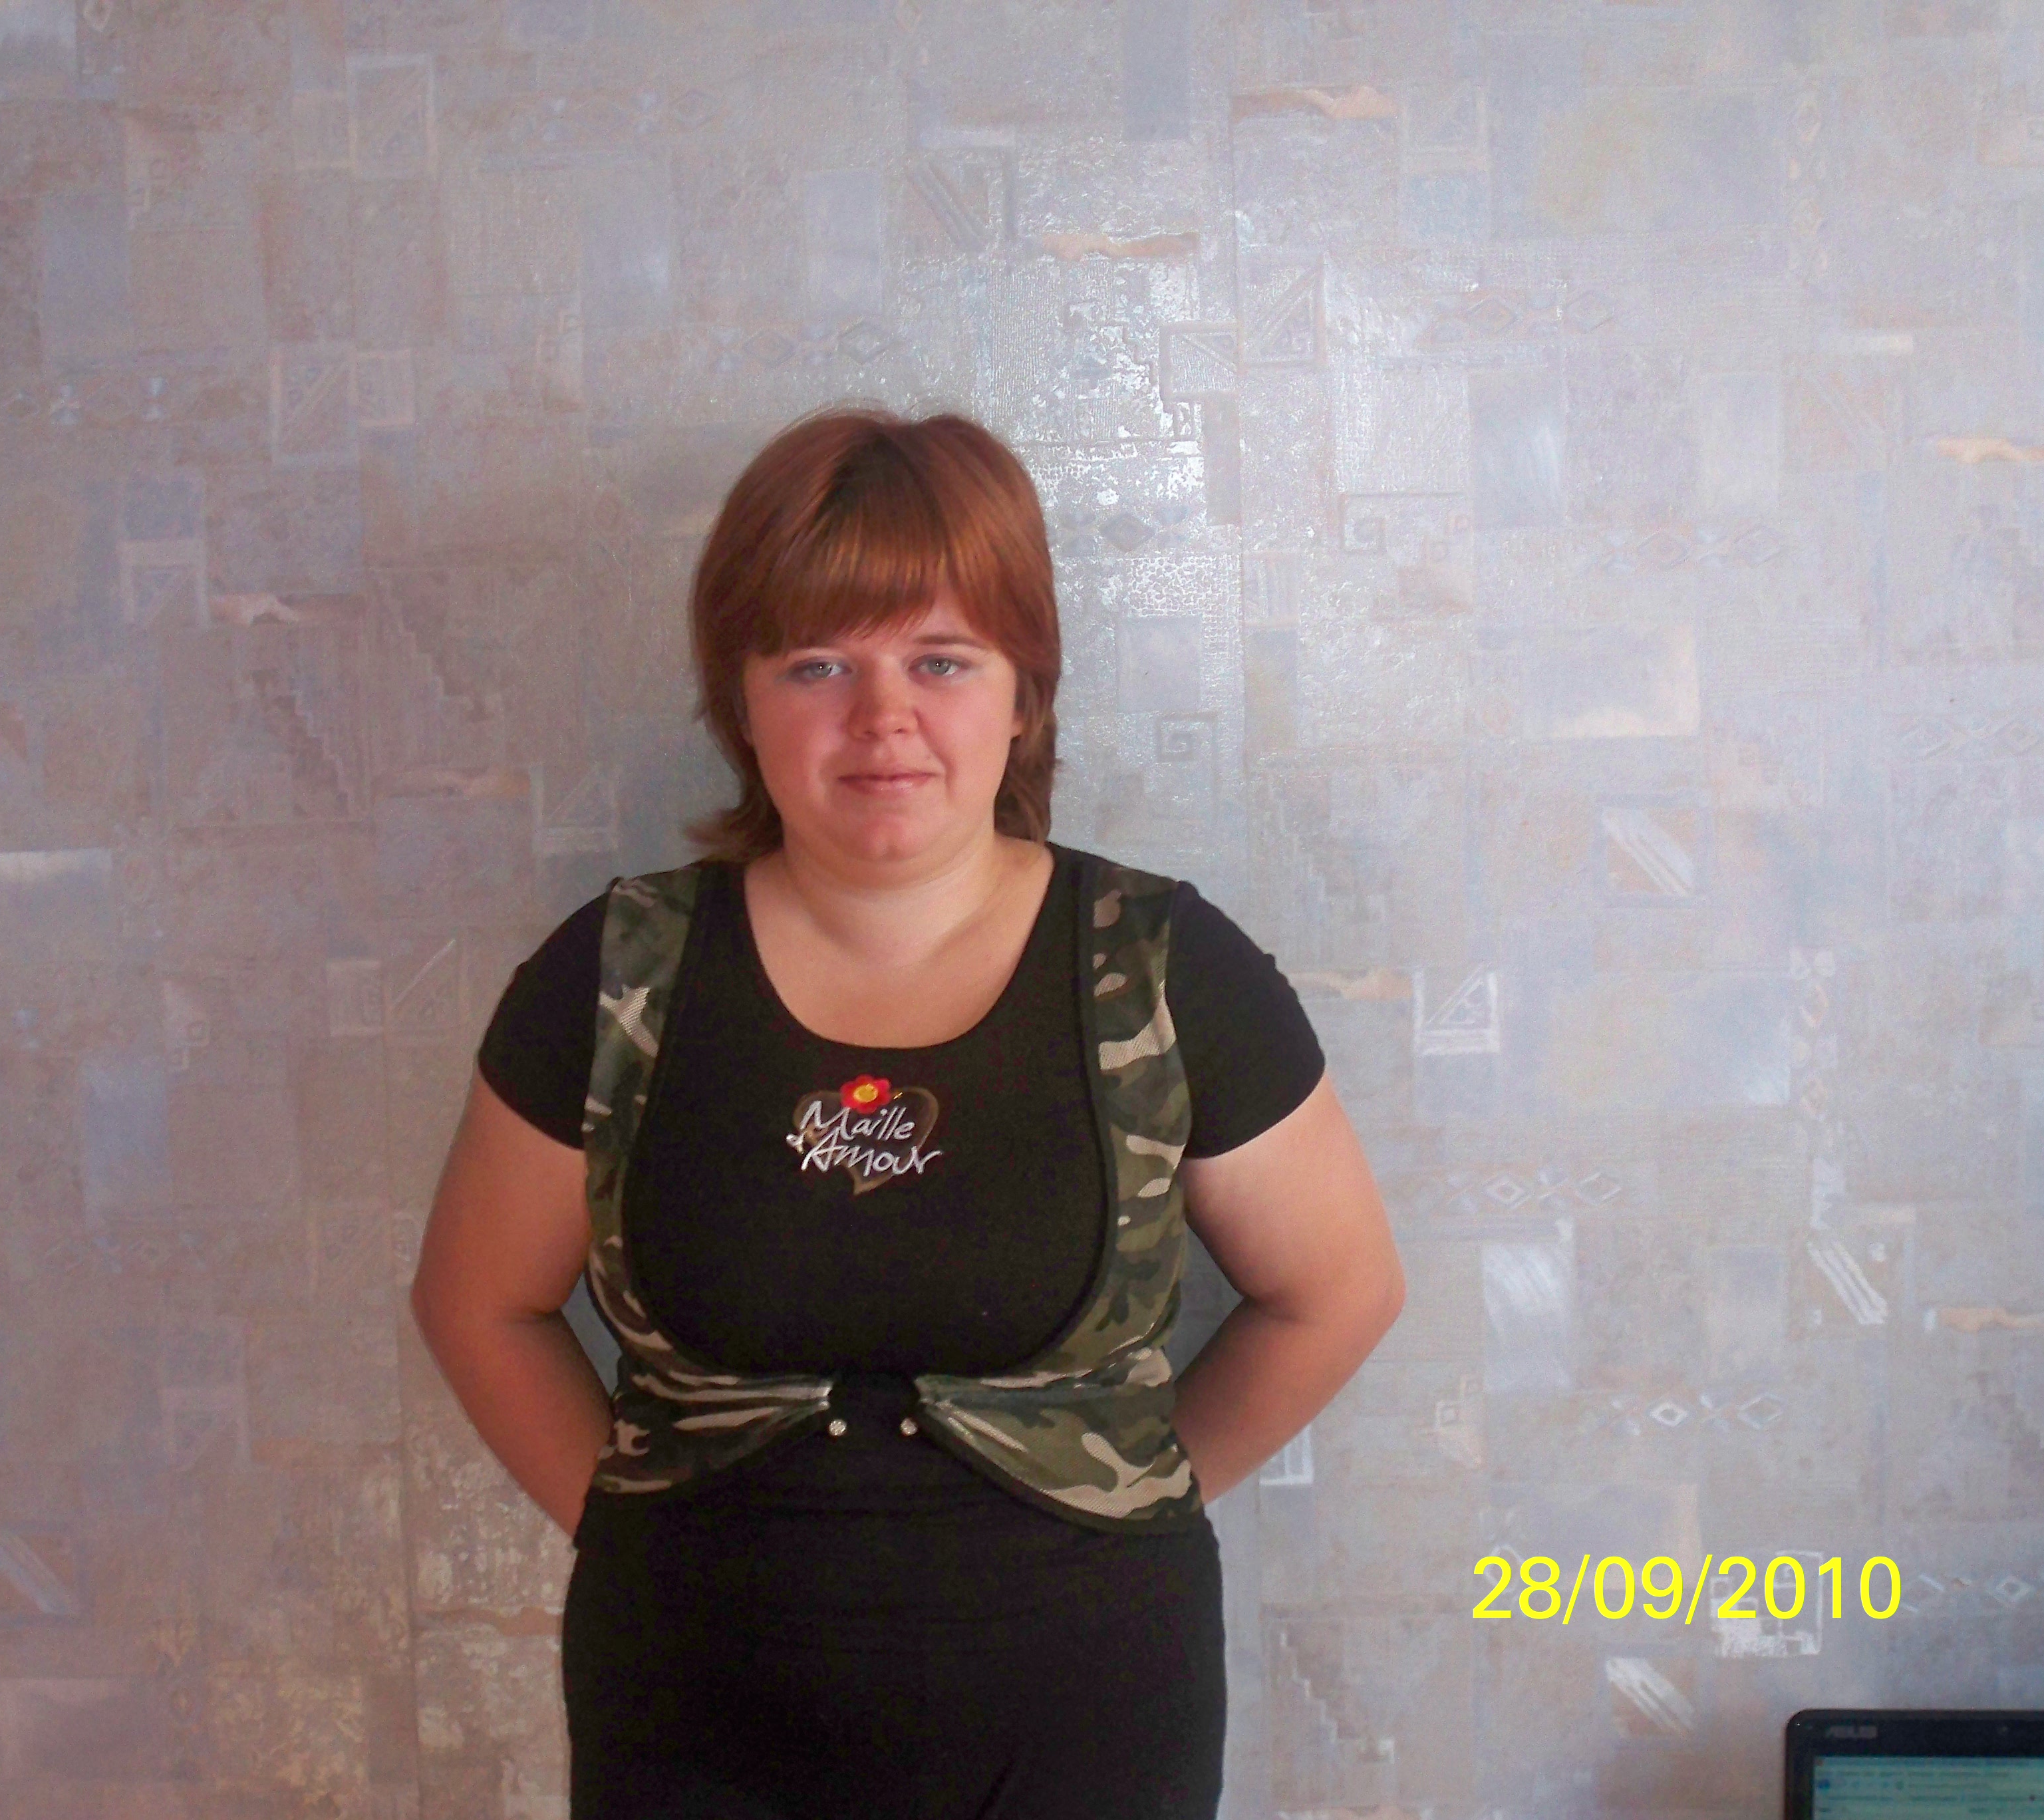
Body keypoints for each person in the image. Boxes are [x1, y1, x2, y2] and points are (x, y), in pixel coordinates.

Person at [412, 405, 1406, 1819]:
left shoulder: (1163, 970)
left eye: (942, 660)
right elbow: (478, 1304)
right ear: (740, 700)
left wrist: (1126, 1497)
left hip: (1087, 1721)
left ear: (1024, 694)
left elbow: (1340, 1291)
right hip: (686, 1718)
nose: (883, 718)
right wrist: (645, 1535)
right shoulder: (620, 974)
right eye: (816, 663)